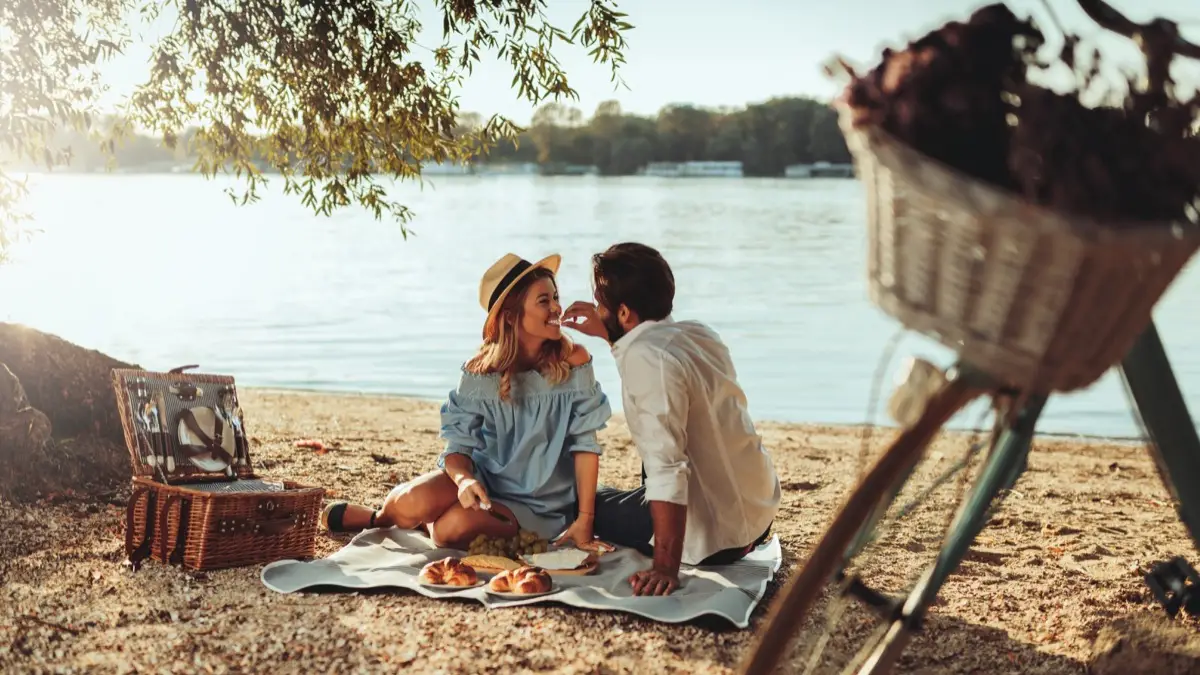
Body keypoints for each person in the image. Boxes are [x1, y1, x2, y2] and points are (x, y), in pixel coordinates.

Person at [321, 253, 613, 551]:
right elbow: (458, 448)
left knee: (450, 531)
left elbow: (585, 443)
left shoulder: (573, 360)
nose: (556, 308)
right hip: (482, 484)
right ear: (511, 316)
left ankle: (426, 522)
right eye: (543, 301)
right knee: (412, 501)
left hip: (539, 505)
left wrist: (585, 518)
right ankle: (379, 519)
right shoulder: (479, 372)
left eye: (555, 297)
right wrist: (463, 481)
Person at [562, 242, 781, 596]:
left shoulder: (647, 360)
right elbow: (645, 350)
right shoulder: (698, 334)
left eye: (601, 304)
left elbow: (668, 468)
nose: (595, 309)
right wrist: (608, 330)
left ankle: (661, 546)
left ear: (624, 314)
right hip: (757, 515)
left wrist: (665, 567)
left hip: (717, 538)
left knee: (577, 500)